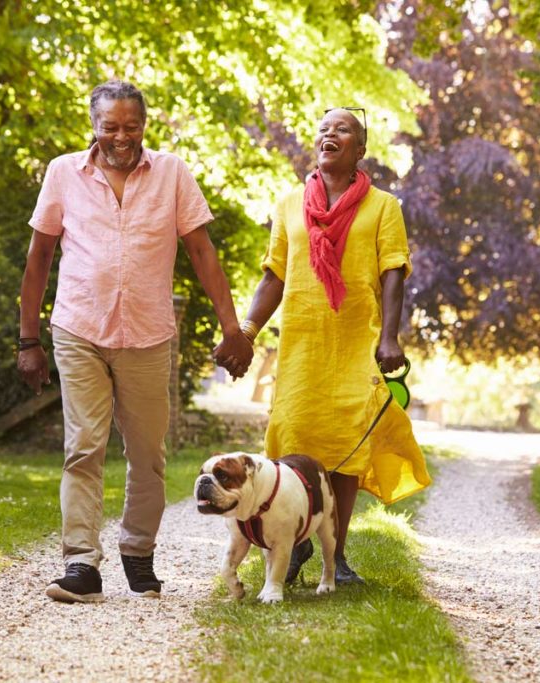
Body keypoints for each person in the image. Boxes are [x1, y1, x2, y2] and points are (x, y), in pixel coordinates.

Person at [17, 80, 253, 603]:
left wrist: (231, 327)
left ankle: (137, 552)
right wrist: (27, 339)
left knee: (147, 455)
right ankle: (81, 564)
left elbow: (201, 251)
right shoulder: (63, 173)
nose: (121, 137)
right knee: (83, 449)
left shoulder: (171, 173)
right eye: (110, 127)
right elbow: (38, 258)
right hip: (79, 328)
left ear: (144, 125)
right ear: (94, 127)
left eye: (131, 126)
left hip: (147, 335)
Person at [227, 107, 431, 584]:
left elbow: (393, 272)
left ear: (360, 149)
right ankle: (292, 546)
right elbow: (274, 275)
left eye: (342, 129)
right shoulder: (289, 204)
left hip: (356, 342)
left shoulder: (383, 207)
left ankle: (333, 557)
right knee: (293, 439)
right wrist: (248, 330)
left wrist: (390, 338)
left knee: (346, 449)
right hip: (301, 345)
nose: (329, 134)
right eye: (323, 129)